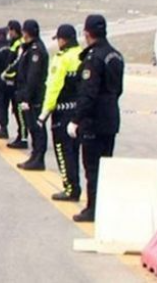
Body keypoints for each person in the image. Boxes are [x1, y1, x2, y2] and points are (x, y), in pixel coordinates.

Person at [68, 14, 124, 222]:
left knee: (92, 168)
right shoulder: (115, 56)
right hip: (110, 118)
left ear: (87, 33)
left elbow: (88, 93)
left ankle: (93, 208)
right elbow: (118, 90)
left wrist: (76, 119)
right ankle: (102, 206)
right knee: (105, 165)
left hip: (93, 120)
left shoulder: (93, 58)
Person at [39, 24, 83, 201]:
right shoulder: (82, 55)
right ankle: (76, 186)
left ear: (63, 40)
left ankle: (70, 187)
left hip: (62, 111)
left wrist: (45, 112)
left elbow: (54, 87)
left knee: (63, 152)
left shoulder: (62, 59)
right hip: (78, 111)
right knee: (75, 151)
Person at [15, 19, 49, 171]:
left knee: (37, 128)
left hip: (34, 97)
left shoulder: (36, 50)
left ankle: (38, 158)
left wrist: (27, 97)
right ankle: (35, 156)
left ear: (26, 32)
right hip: (29, 95)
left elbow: (33, 76)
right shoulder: (29, 48)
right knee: (32, 127)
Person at [3, 20, 27, 149]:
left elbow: (17, 64)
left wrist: (8, 74)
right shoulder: (13, 43)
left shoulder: (20, 44)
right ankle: (20, 135)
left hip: (17, 82)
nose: (9, 33)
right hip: (12, 82)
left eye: (10, 30)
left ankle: (23, 137)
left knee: (19, 112)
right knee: (16, 110)